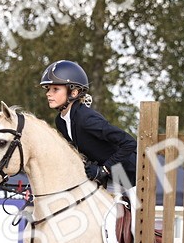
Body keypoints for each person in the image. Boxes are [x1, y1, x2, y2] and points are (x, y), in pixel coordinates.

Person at [40, 60, 137, 192]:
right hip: (106, 180)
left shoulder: (86, 118)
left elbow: (129, 143)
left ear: (74, 93)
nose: (48, 93)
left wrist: (104, 169)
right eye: (48, 89)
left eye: (55, 89)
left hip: (131, 178)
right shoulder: (61, 121)